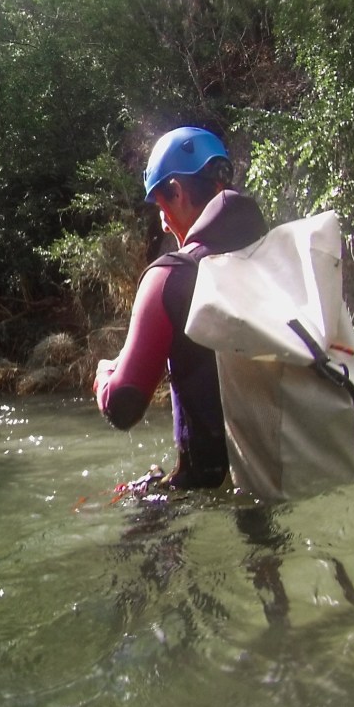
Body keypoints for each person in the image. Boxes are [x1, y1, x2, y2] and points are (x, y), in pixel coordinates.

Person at [93, 126, 267, 490]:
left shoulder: (169, 276)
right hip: (291, 461)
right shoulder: (276, 256)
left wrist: (102, 375)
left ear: (177, 190)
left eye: (160, 204)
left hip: (212, 486)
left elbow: (123, 405)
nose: (162, 219)